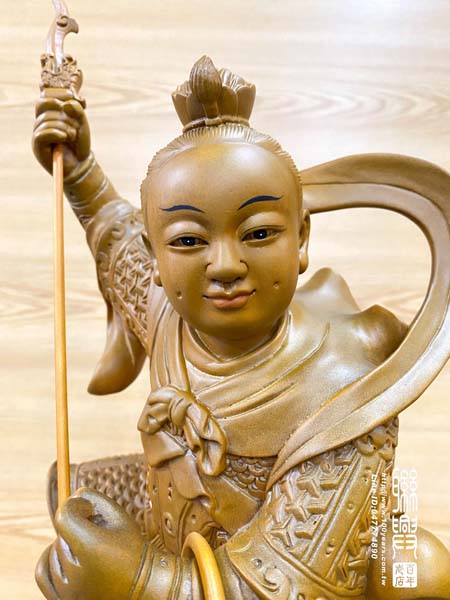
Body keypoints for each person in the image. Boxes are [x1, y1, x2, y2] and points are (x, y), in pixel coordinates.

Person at [32, 56, 450, 599]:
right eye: (188, 240)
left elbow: (289, 585)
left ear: (302, 238)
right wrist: (79, 168)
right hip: (181, 513)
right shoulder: (169, 308)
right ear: (158, 258)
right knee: (72, 505)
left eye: (257, 233)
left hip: (298, 559)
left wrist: (140, 580)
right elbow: (118, 240)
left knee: (416, 568)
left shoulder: (345, 391)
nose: (225, 266)